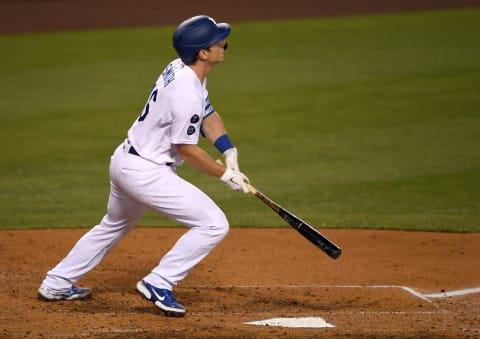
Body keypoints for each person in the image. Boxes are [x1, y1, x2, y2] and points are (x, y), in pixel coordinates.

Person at [38, 15, 250, 317]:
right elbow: (187, 150)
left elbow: (208, 112)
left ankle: (56, 283)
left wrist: (228, 150)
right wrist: (225, 175)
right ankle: (159, 282)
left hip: (125, 161)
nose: (224, 44)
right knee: (214, 224)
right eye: (219, 41)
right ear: (203, 53)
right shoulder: (186, 91)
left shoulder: (181, 68)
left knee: (113, 226)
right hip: (147, 173)